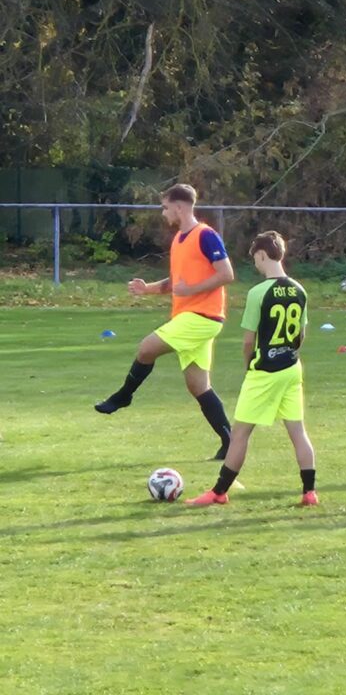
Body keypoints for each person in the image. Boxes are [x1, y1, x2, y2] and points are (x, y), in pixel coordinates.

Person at [94, 183, 235, 460]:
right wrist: (147, 289)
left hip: (203, 316)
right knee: (198, 385)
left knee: (146, 348)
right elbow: (176, 282)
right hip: (189, 316)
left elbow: (226, 274)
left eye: (166, 207)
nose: (163, 212)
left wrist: (191, 290)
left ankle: (123, 396)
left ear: (179, 207)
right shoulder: (179, 239)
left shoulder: (206, 235)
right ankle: (229, 443)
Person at [186, 231, 318, 507]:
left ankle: (219, 492)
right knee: (298, 431)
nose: (255, 265)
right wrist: (289, 352)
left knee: (240, 434)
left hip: (264, 371)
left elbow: (249, 341)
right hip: (292, 368)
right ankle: (309, 492)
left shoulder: (258, 293)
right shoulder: (299, 290)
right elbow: (301, 334)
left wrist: (249, 366)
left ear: (261, 255)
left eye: (255, 259)